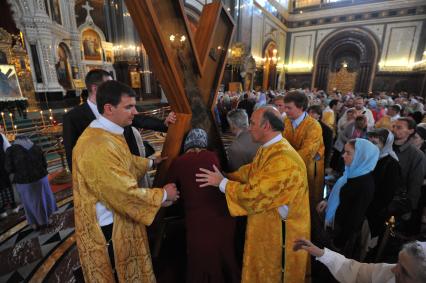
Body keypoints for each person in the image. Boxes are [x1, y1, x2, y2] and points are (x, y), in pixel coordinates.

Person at [72, 80, 179, 282]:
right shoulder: (97, 145)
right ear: (109, 109)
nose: (135, 111)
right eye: (128, 106)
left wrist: (150, 163)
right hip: (109, 229)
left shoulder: (105, 133)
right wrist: (163, 194)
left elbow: (121, 163)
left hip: (116, 218)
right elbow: (122, 192)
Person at [196, 106, 310, 283]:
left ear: (266, 127)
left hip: (280, 235)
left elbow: (255, 195)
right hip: (267, 224)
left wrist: (222, 183)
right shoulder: (271, 148)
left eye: (253, 123)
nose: (249, 128)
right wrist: (226, 176)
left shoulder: (283, 160)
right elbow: (251, 172)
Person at [63, 69, 176, 170]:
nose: (114, 88)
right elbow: (72, 157)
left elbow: (139, 119)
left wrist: (164, 123)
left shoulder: (118, 104)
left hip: (131, 164)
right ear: (95, 88)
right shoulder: (73, 117)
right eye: (110, 85)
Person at [168, 128, 240, 283]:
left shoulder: (179, 162)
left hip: (198, 219)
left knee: (201, 258)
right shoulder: (213, 156)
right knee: (225, 253)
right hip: (222, 215)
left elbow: (170, 189)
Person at [317, 139, 379, 256]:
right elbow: (339, 192)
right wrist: (327, 201)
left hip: (340, 235)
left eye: (348, 153)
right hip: (333, 224)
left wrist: (338, 243)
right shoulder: (352, 172)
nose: (343, 156)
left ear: (362, 156)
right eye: (344, 151)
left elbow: (354, 218)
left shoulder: (364, 184)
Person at [294, 238, 426, 283]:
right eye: (398, 262)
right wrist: (321, 253)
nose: (394, 269)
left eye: (405, 272)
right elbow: (357, 271)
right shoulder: (389, 272)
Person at [5, 134, 57, 230]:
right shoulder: (36, 147)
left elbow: (8, 168)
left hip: (23, 181)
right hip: (41, 178)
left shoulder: (11, 150)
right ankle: (45, 220)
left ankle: (34, 223)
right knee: (43, 200)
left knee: (28, 203)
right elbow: (44, 163)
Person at [283, 90, 325, 208]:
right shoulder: (286, 121)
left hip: (309, 168)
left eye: (289, 108)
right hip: (289, 165)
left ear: (301, 107)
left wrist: (283, 163)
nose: (285, 111)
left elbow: (307, 152)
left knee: (308, 201)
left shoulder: (314, 126)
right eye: (285, 107)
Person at [365, 129, 402, 252]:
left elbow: (387, 194)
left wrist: (369, 207)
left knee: (367, 242)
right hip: (363, 206)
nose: (371, 146)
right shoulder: (368, 157)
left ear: (386, 144)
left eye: (375, 143)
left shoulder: (391, 164)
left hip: (375, 211)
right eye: (369, 142)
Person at [392, 118, 425, 235]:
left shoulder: (417, 156)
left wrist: (408, 208)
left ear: (410, 131)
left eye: (399, 127)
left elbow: (415, 183)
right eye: (394, 126)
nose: (394, 129)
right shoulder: (386, 145)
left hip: (395, 201)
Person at [0, 129, 19, 219]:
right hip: (2, 164)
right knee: (7, 184)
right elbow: (7, 149)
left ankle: (2, 210)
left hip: (2, 164)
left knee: (3, 185)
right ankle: (13, 206)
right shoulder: (1, 136)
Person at [308, 105, 334, 169]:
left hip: (318, 159)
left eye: (313, 113)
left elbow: (328, 148)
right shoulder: (303, 126)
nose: (310, 114)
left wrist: (325, 164)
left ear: (319, 115)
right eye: (309, 112)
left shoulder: (327, 130)